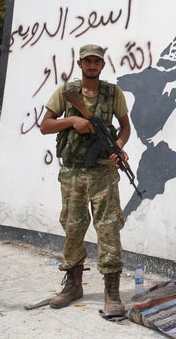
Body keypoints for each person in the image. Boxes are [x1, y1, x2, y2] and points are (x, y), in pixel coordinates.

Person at [39, 44, 131, 317]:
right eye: (87, 61)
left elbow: (125, 126)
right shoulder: (67, 93)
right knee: (73, 226)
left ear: (103, 65)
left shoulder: (113, 93)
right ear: (80, 64)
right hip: (73, 173)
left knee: (109, 227)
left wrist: (119, 147)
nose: (92, 65)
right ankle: (73, 285)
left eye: (97, 61)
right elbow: (45, 126)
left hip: (103, 171)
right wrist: (73, 121)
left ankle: (112, 292)